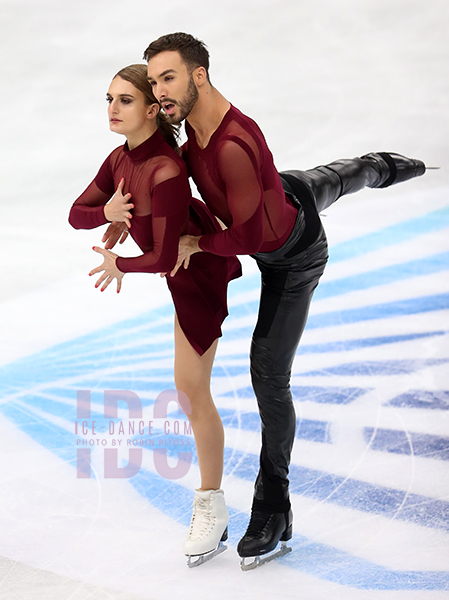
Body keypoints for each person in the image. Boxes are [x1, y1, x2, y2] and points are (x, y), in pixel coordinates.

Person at [140, 32, 426, 569]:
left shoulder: (231, 144)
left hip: (293, 257)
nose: (160, 92)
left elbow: (247, 242)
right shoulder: (192, 137)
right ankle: (380, 164)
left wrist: (198, 242)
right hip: (286, 193)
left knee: (268, 374)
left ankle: (274, 504)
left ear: (199, 74)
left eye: (169, 78)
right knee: (341, 177)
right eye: (154, 81)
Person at [68, 64, 242, 566]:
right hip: (177, 273)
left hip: (197, 274)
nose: (112, 109)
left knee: (190, 391)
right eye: (108, 99)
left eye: (124, 101)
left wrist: (119, 261)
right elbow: (77, 212)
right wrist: (108, 214)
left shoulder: (165, 169)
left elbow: (165, 258)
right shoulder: (119, 159)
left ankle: (211, 502)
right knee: (189, 390)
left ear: (150, 109)